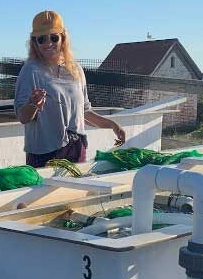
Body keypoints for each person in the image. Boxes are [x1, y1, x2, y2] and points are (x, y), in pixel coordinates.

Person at [15, 10, 125, 167]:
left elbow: (85, 112)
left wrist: (113, 125)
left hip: (76, 149)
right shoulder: (30, 70)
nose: (48, 43)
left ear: (63, 38)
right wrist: (33, 105)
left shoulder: (76, 70)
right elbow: (22, 117)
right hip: (44, 155)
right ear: (34, 42)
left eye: (54, 37)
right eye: (41, 39)